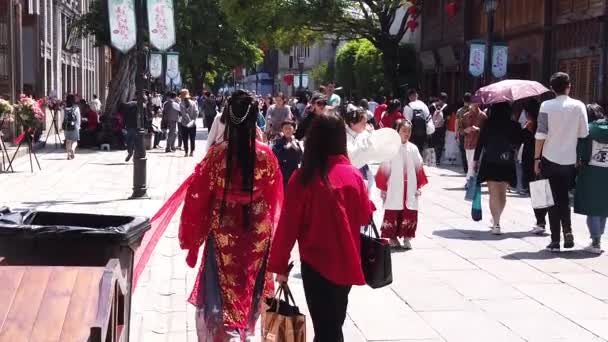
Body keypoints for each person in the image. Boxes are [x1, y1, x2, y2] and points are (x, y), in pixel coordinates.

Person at [179, 90, 283, 341]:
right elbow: (274, 195)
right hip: (257, 231)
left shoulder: (217, 155)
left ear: (227, 117)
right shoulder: (265, 155)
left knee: (220, 291)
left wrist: (194, 235)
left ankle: (227, 335)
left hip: (223, 228)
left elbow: (196, 196)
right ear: (254, 118)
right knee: (251, 285)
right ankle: (244, 331)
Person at [268, 114, 372, 342]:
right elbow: (365, 215)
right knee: (333, 323)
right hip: (347, 263)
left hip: (316, 266)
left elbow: (288, 226)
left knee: (327, 328)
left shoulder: (303, 178)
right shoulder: (353, 175)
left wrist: (279, 265)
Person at [535, 72, 589, 252]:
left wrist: (536, 158)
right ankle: (568, 231)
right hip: (570, 160)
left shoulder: (546, 105)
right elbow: (583, 134)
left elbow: (541, 134)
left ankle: (555, 240)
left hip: (549, 158)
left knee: (551, 200)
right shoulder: (579, 106)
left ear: (552, 88)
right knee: (563, 198)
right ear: (569, 86)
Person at [376, 120, 428, 249]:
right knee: (393, 210)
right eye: (404, 130)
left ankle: (407, 237)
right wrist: (383, 187)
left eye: (409, 131)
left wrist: (418, 185)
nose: (407, 133)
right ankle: (392, 238)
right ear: (397, 131)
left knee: (409, 211)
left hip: (410, 186)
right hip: (394, 186)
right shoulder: (391, 148)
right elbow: (384, 168)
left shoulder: (413, 148)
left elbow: (418, 167)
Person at [474, 102, 522, 235]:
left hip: (490, 160)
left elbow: (481, 142)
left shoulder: (488, 124)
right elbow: (519, 141)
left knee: (493, 193)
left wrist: (476, 159)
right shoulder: (514, 125)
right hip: (507, 160)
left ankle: (496, 223)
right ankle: (497, 218)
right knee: (502, 193)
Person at [574, 105, 607, 254]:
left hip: (591, 172)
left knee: (592, 207)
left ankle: (596, 241)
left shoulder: (588, 129)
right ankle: (598, 237)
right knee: (603, 206)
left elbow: (579, 152)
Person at [272, 120, 303, 190]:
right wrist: (287, 147)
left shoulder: (298, 143)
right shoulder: (277, 143)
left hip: (294, 173)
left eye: (290, 128)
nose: (287, 131)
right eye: (285, 128)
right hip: (282, 172)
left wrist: (296, 148)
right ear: (282, 130)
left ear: (294, 130)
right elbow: (276, 156)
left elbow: (301, 158)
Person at [462, 103, 487, 183]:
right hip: (468, 142)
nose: (473, 105)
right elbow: (461, 129)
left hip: (478, 143)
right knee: (470, 163)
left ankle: (469, 180)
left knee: (473, 163)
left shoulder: (483, 116)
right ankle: (470, 180)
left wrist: (478, 129)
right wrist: (466, 130)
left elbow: (486, 130)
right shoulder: (466, 115)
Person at [404, 89, 434, 153]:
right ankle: (420, 161)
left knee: (412, 149)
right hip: (423, 132)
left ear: (409, 97)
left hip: (413, 133)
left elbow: (407, 121)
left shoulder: (408, 106)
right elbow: (429, 119)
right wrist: (429, 132)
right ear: (417, 96)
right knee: (421, 149)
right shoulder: (423, 105)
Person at [430, 93, 449, 165]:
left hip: (432, 127)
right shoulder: (446, 107)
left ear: (438, 98)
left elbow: (428, 116)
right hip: (442, 128)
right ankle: (437, 160)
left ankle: (431, 160)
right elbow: (448, 118)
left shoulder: (432, 106)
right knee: (440, 144)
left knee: (432, 143)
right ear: (445, 99)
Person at [456, 93, 472, 175]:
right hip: (472, 134)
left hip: (462, 133)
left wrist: (456, 134)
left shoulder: (459, 111)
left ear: (463, 100)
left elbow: (457, 123)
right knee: (472, 151)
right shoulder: (473, 110)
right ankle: (471, 168)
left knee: (463, 151)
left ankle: (466, 169)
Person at [179, 89, 198, 157]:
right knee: (191, 138)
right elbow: (196, 112)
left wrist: (191, 120)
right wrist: (193, 120)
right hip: (191, 124)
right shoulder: (193, 103)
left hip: (185, 124)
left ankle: (187, 152)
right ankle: (190, 152)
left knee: (186, 138)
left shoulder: (182, 104)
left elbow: (184, 114)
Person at [63, 94, 81, 160]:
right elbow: (78, 118)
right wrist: (78, 126)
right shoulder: (76, 108)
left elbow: (64, 118)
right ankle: (72, 149)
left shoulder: (65, 108)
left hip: (67, 126)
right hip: (75, 126)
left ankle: (68, 155)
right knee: (74, 141)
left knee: (68, 141)